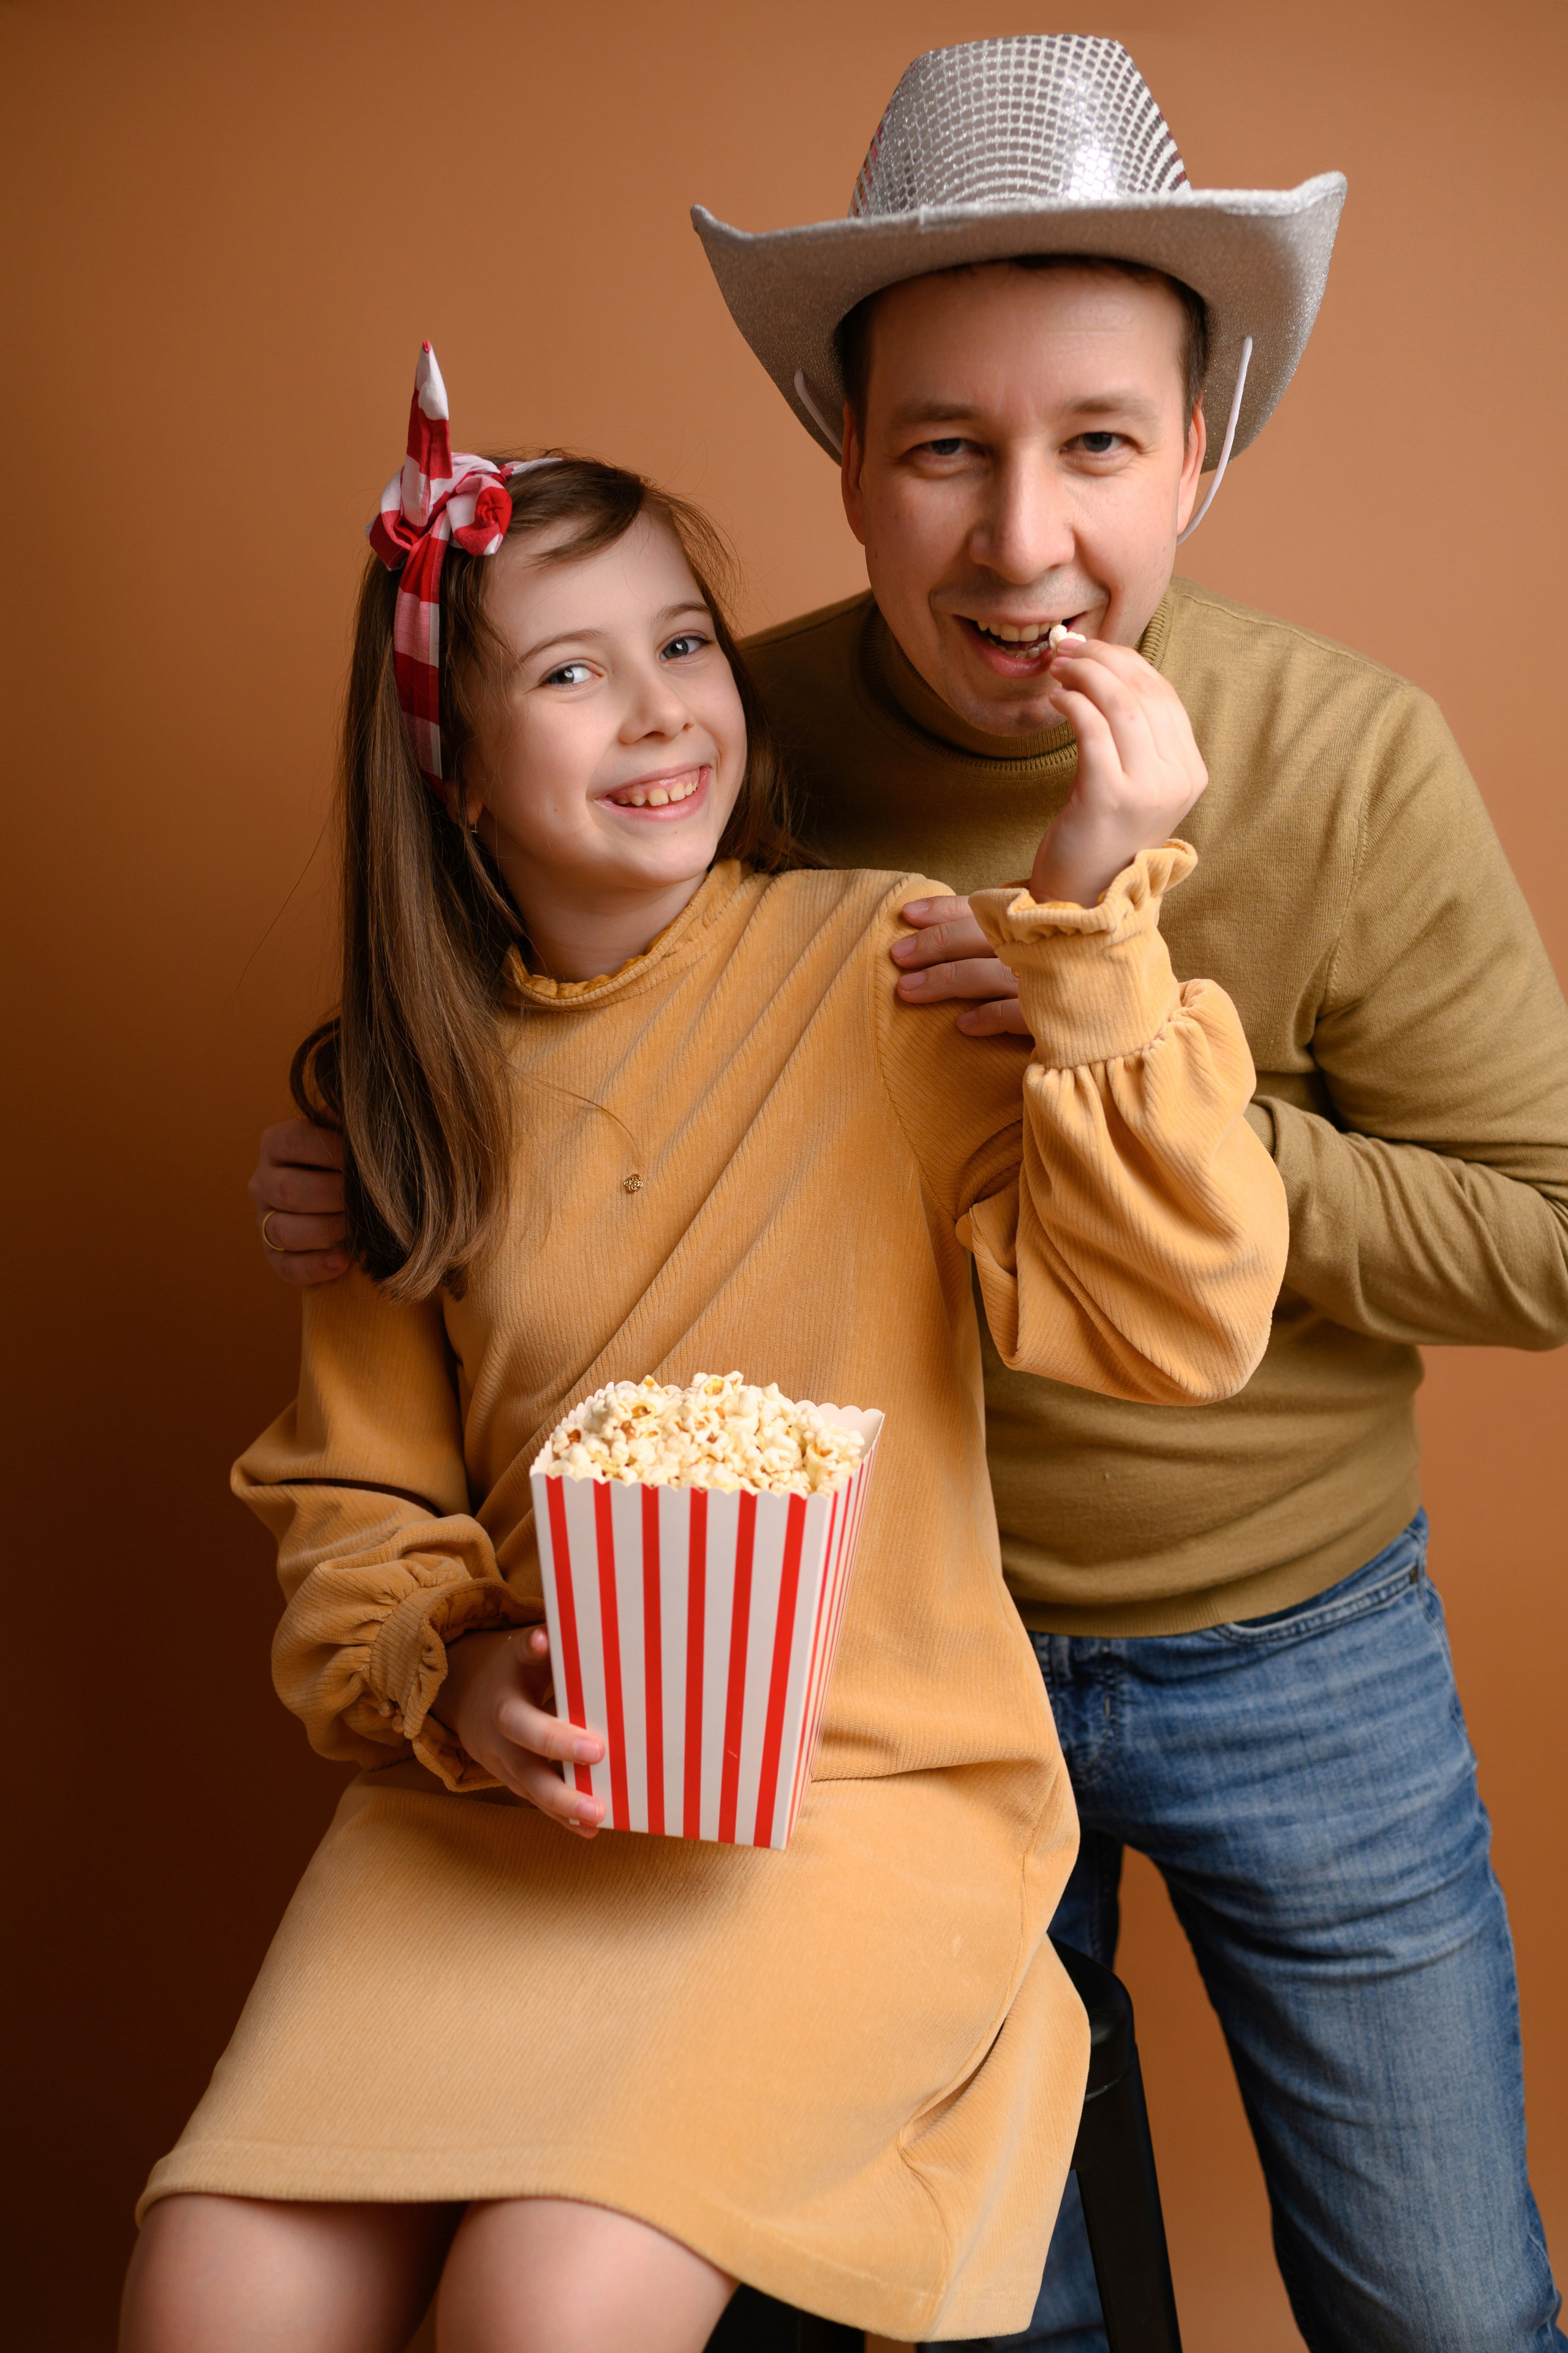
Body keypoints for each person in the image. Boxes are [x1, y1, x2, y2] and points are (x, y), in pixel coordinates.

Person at [251, 37, 1568, 2352]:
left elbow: (1550, 1225)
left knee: (1446, 2305)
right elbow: (558, 1007)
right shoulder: (723, 735)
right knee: (993, 2314)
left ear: (1205, 453)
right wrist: (365, 1122)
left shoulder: (1344, 756)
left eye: (1098, 447)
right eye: (944, 447)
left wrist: (1114, 1057)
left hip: (1289, 1640)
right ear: (843, 467)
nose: (1023, 537)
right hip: (866, 1686)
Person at [123, 347, 1285, 2353]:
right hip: (496, 1817)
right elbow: (357, 1507)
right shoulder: (406, 1095)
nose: (663, 704)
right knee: (211, 2279)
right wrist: (464, 1672)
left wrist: (1089, 924)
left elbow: (1176, 1314)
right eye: (571, 672)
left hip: (857, 1796)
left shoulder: (886, 968)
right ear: (457, 770)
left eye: (684, 639)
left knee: (550, 2297)